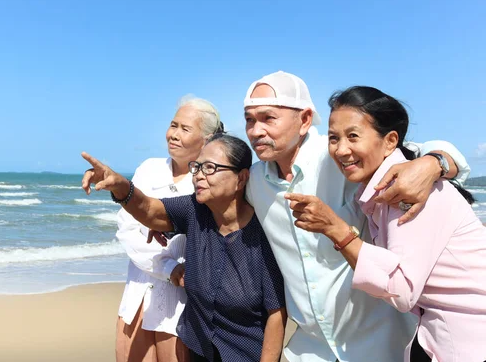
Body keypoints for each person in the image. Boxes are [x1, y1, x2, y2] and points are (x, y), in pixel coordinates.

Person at [242, 71, 471, 362]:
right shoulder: (254, 182)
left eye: (268, 118)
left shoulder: (343, 157)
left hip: (381, 341)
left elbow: (418, 150)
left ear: (304, 120)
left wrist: (432, 163)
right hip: (310, 349)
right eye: (249, 120)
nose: (255, 130)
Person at [82, 134, 287, 362]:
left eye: (210, 168)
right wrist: (120, 187)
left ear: (241, 178)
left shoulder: (263, 234)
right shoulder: (194, 210)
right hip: (197, 350)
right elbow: (150, 210)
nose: (198, 175)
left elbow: (276, 313)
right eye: (197, 167)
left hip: (243, 354)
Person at [112, 96, 222, 362]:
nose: (174, 134)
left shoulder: (208, 181)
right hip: (138, 294)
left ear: (206, 139)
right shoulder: (149, 169)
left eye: (185, 129)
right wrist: (167, 267)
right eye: (174, 125)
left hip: (181, 304)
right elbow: (127, 228)